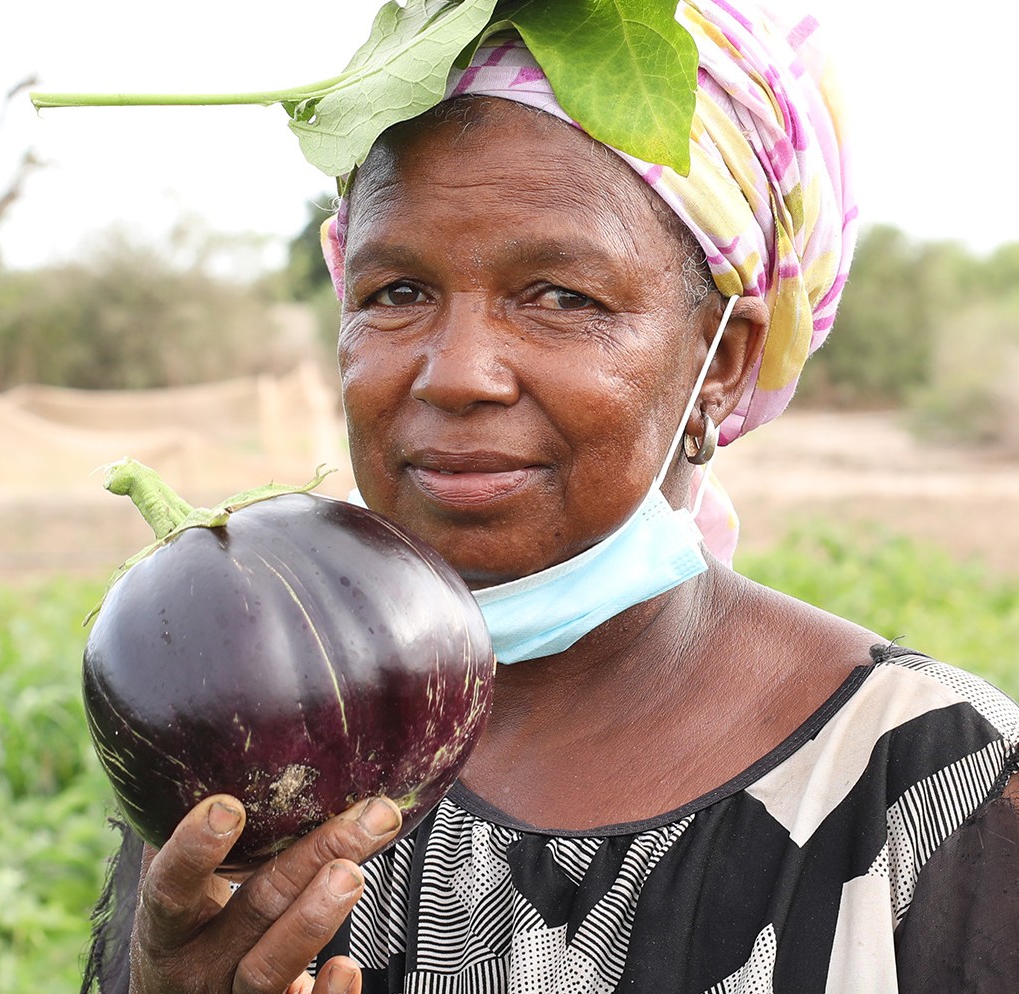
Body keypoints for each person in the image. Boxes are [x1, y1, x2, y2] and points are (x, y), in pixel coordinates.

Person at [80, 2, 1019, 991]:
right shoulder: (259, 737)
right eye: (395, 291)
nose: (455, 374)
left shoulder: (933, 791)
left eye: (560, 296)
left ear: (725, 365)